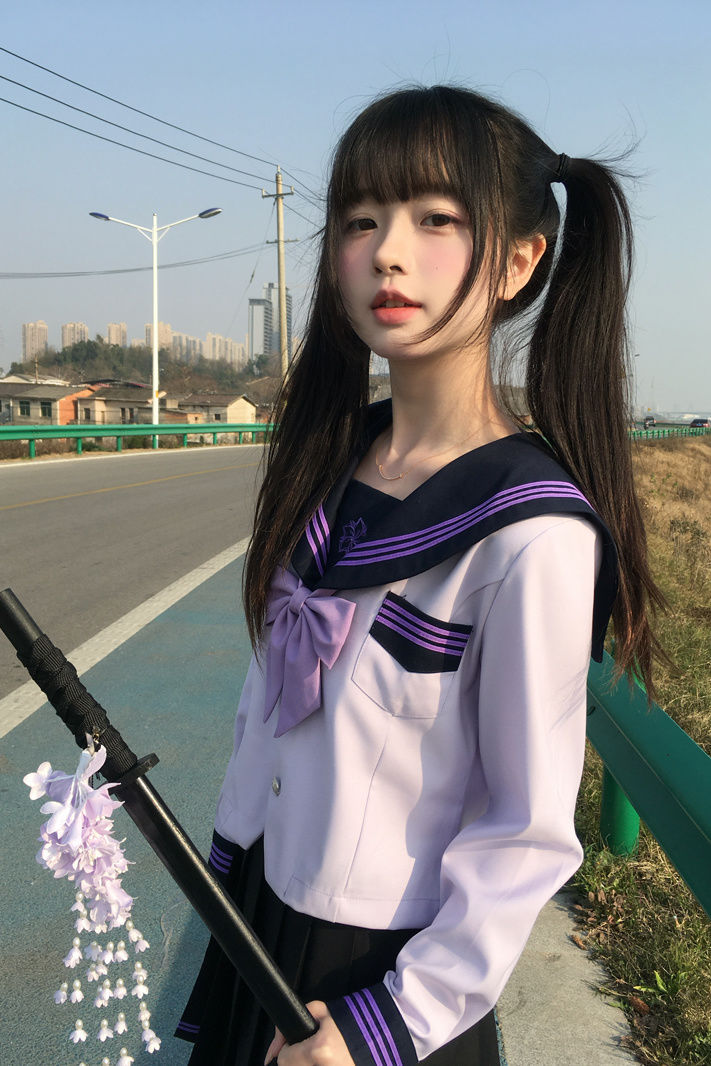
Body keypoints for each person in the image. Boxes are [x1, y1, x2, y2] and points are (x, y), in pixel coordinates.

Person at [176, 85, 664, 1065]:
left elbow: (525, 832)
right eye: (361, 220)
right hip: (260, 914)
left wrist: (384, 1027)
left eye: (436, 218)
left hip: (387, 984)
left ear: (519, 261)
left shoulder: (531, 530)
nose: (387, 252)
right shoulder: (327, 465)